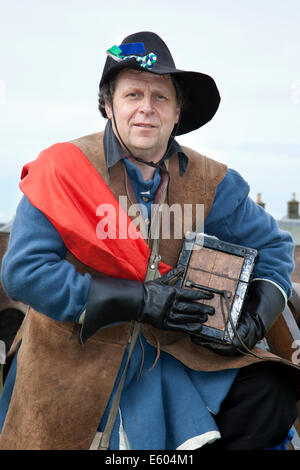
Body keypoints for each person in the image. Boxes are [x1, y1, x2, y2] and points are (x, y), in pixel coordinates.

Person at [0, 31, 298, 451]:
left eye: (160, 97)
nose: (146, 108)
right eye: (132, 94)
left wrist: (255, 315)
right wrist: (139, 300)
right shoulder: (62, 170)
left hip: (175, 348)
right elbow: (23, 274)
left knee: (270, 392)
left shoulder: (211, 180)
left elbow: (275, 247)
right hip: (78, 349)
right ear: (109, 106)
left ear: (178, 112)